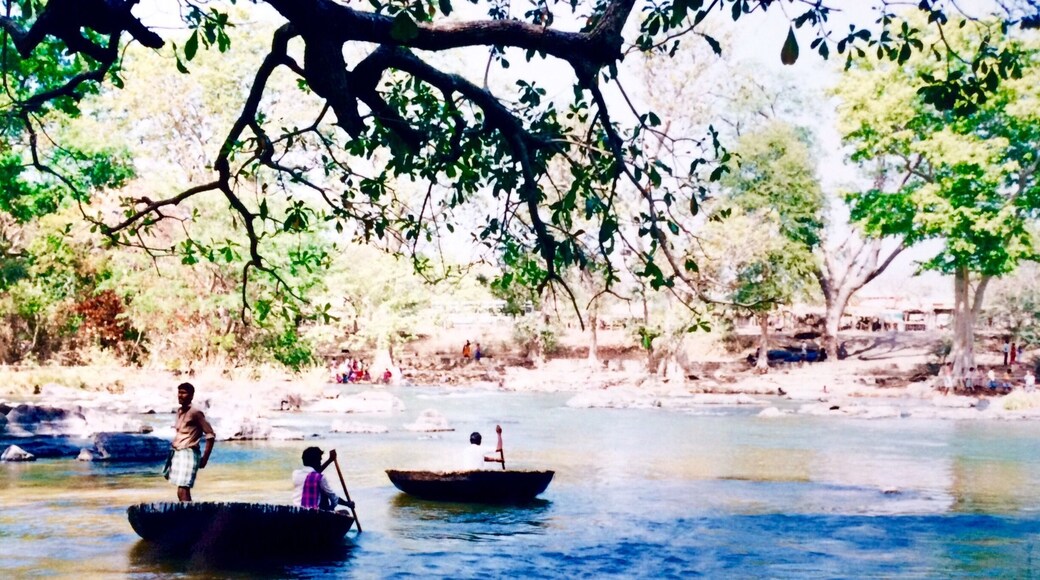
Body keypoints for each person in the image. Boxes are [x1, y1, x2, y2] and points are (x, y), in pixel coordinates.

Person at [163, 382, 216, 502]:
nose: (180, 395)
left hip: (189, 452)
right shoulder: (180, 411)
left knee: (183, 488)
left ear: (191, 396)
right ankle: (187, 514)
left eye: (184, 393)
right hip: (177, 452)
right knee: (180, 489)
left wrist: (205, 458)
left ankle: (189, 516)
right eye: (179, 392)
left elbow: (210, 435)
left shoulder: (195, 413)